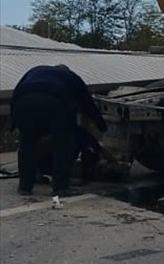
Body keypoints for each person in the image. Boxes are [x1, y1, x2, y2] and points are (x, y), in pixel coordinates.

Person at [11, 64, 107, 196]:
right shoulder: (71, 77)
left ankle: (25, 186)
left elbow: (16, 93)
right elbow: (88, 105)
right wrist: (102, 127)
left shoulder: (35, 70)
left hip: (22, 102)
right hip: (53, 102)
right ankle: (60, 187)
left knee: (27, 143)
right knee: (64, 143)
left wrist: (13, 122)